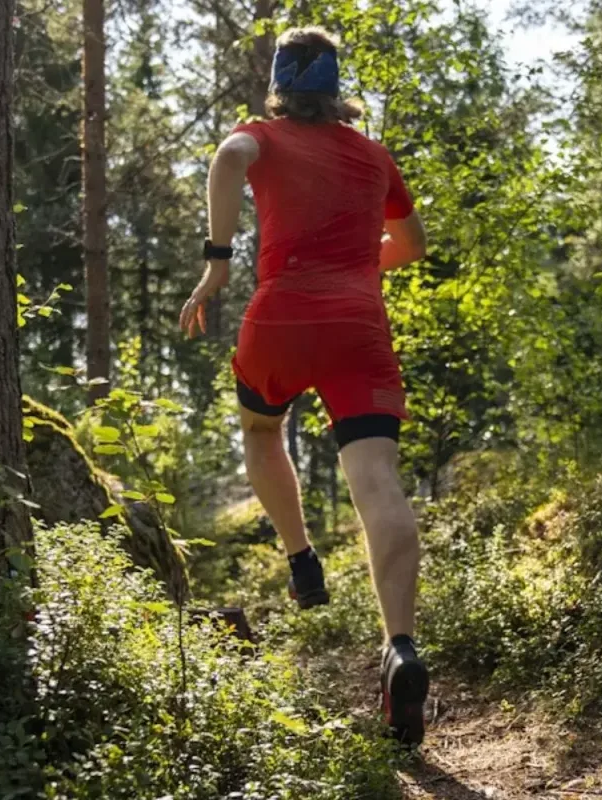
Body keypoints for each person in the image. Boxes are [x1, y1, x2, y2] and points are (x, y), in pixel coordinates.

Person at [178, 26, 430, 745]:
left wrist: (218, 263)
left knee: (262, 430)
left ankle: (301, 557)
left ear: (279, 86)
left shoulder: (261, 135)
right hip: (359, 329)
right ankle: (401, 647)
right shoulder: (374, 155)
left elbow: (229, 156)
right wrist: (353, 269)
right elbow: (412, 246)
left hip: (280, 318)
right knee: (378, 481)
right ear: (334, 90)